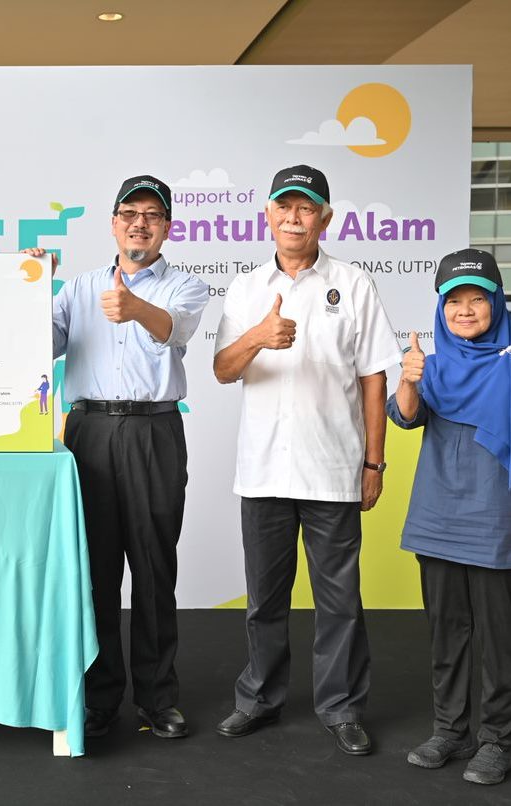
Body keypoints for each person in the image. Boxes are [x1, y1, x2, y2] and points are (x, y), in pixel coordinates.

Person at [212, 165, 401, 755]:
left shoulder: (355, 282)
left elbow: (374, 377)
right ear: (268, 214)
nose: (294, 217)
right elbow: (222, 369)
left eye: (306, 207)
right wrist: (257, 338)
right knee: (264, 599)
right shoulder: (244, 288)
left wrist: (374, 462)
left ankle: (341, 707)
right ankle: (260, 699)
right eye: (284, 207)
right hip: (264, 469)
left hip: (332, 468)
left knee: (339, 602)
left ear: (325, 217)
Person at [31, 175, 209, 741]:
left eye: (152, 215)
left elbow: (175, 332)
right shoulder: (77, 288)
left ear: (167, 228)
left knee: (155, 568)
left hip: (156, 431)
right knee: (96, 571)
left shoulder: (187, 284)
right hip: (88, 430)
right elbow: (33, 346)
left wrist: (134, 305)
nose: (139, 223)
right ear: (112, 223)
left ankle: (158, 699)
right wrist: (32, 287)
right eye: (129, 213)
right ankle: (101, 695)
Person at [388, 249, 511, 786]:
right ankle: (450, 730)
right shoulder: (429, 365)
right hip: (437, 516)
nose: (465, 310)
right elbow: (406, 418)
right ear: (441, 308)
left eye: (476, 299)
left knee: (499, 637)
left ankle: (499, 740)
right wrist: (409, 379)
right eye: (453, 300)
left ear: (497, 303)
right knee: (446, 632)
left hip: (496, 519)